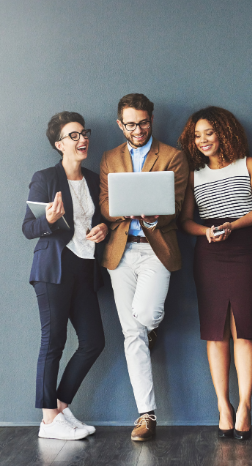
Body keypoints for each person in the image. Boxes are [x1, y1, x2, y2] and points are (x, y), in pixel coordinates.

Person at [178, 106, 252, 440]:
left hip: (247, 249)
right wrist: (206, 232)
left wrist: (233, 225)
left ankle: (245, 406)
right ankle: (223, 406)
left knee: (243, 329)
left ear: (224, 133)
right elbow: (186, 221)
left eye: (209, 133)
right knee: (215, 331)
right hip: (210, 253)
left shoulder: (248, 164)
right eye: (197, 135)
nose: (203, 140)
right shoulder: (194, 173)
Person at [99, 93, 189, 442]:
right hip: (120, 253)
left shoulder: (172, 156)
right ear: (121, 124)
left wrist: (153, 214)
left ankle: (150, 327)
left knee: (145, 315)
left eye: (144, 122)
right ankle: (146, 415)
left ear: (152, 120)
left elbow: (177, 207)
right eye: (131, 124)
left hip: (156, 249)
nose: (138, 129)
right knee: (132, 335)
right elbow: (106, 206)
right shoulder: (109, 157)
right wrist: (130, 209)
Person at [22, 112, 107, 440]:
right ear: (59, 145)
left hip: (85, 268)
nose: (82, 139)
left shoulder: (94, 178)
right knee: (53, 342)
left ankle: (59, 407)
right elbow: (28, 227)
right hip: (52, 270)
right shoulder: (44, 178)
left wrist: (102, 228)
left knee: (94, 342)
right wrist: (49, 219)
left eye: (83, 133)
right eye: (73, 136)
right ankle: (47, 422)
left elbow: (101, 220)